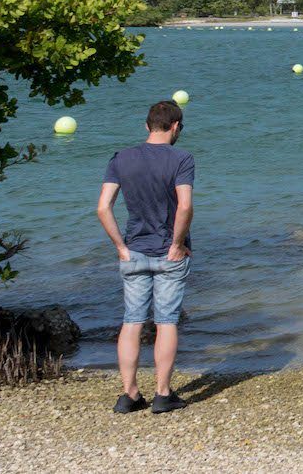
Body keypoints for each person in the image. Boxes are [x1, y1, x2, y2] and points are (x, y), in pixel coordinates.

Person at [95, 100, 196, 414]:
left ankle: (129, 394)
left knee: (132, 322)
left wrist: (120, 247)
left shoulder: (121, 158)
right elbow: (184, 206)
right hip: (169, 252)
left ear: (147, 126)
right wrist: (177, 244)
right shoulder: (182, 159)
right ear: (176, 126)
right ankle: (163, 394)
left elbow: (102, 208)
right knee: (166, 322)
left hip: (133, 250)